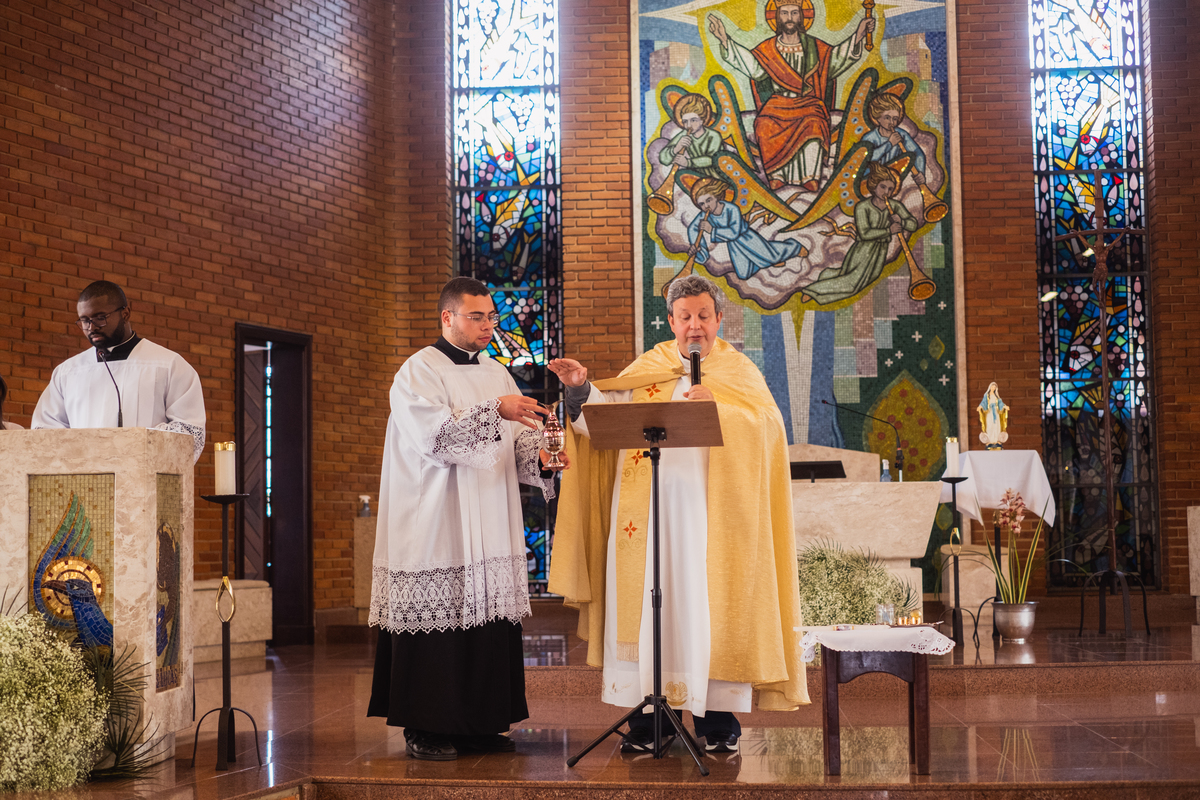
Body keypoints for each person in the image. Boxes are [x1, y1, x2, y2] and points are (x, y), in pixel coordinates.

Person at [547, 275, 807, 755]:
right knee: (650, 605)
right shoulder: (650, 366)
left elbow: (769, 430)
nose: (694, 326)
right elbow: (603, 421)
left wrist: (721, 408)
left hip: (713, 520)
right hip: (646, 519)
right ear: (670, 321)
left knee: (708, 607)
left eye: (703, 316)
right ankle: (650, 722)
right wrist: (581, 390)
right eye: (684, 317)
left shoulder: (738, 370)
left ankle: (716, 718)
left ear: (718, 319)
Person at [367, 276, 562, 761]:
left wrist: (539, 456)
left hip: (491, 514)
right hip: (435, 516)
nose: (487, 326)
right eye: (476, 317)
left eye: (491, 317)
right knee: (440, 621)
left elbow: (514, 442)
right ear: (447, 317)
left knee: (485, 618)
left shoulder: (497, 372)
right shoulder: (418, 371)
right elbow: (433, 438)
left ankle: (479, 722)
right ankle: (426, 727)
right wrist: (495, 409)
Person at [31, 281, 205, 461]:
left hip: (146, 482)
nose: (91, 327)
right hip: (82, 483)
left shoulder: (169, 365)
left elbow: (190, 433)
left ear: (125, 314)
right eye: (84, 320)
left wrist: (132, 444)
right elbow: (44, 431)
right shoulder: (68, 372)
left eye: (100, 317)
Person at [707, 4, 874, 191]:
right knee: (763, 124)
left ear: (801, 17)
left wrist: (858, 36)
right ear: (777, 17)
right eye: (784, 13)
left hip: (809, 103)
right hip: (778, 104)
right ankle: (777, 174)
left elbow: (833, 60)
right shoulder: (768, 49)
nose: (789, 17)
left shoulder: (814, 47)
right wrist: (724, 39)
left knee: (814, 122)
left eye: (794, 13)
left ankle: (810, 176)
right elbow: (752, 66)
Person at [801, 161, 917, 305]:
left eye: (890, 189)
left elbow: (913, 224)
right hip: (863, 250)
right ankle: (812, 290)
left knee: (867, 277)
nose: (886, 192)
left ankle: (827, 275)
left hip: (880, 251)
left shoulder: (895, 206)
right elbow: (864, 234)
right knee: (852, 284)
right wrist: (889, 230)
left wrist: (902, 222)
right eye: (883, 187)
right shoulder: (863, 207)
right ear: (874, 185)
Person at [686, 177, 807, 280]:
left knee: (771, 255)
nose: (706, 206)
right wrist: (697, 248)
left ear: (716, 197)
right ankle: (768, 260)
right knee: (744, 274)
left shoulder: (731, 209)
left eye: (709, 200)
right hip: (734, 245)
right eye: (702, 204)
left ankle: (794, 247)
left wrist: (712, 230)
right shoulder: (704, 215)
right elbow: (693, 229)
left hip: (746, 237)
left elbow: (734, 232)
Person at [861, 92, 927, 184]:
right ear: (878, 117)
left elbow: (917, 153)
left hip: (895, 180)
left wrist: (920, 172)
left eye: (895, 119)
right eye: (887, 118)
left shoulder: (902, 135)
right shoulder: (870, 138)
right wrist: (889, 144)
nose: (891, 122)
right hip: (871, 181)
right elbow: (865, 160)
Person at [657, 93, 725, 180]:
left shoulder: (714, 136)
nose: (689, 125)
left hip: (718, 178)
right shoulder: (685, 134)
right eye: (685, 121)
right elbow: (663, 158)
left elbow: (712, 159)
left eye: (693, 120)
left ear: (702, 120)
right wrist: (675, 149)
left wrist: (688, 163)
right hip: (697, 178)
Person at [978, 381, 1009, 449]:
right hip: (989, 412)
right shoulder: (987, 395)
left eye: (995, 387)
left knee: (996, 425)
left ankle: (996, 440)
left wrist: (1005, 407)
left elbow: (1000, 403)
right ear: (990, 387)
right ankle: (990, 440)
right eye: (992, 386)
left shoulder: (996, 396)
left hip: (996, 412)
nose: (993, 388)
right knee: (990, 425)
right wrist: (980, 407)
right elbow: (983, 402)